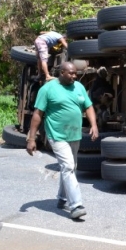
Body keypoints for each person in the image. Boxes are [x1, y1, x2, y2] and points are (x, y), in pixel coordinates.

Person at [26, 62, 98, 220]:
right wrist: (32, 138)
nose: (74, 76)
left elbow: (89, 106)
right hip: (56, 135)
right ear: (62, 72)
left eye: (75, 73)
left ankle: (62, 198)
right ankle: (76, 205)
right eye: (71, 73)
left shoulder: (78, 87)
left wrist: (93, 125)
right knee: (68, 166)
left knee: (71, 168)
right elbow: (37, 114)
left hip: (74, 134)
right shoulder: (48, 89)